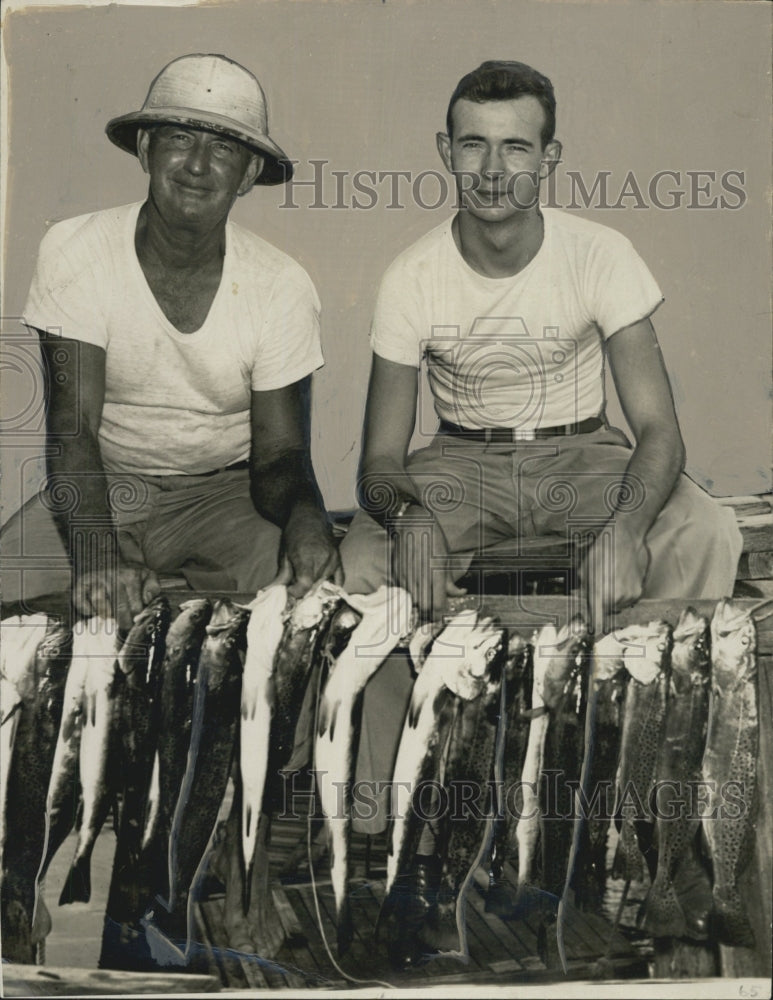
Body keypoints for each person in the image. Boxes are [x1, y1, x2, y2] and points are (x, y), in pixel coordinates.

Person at [339, 59, 743, 968]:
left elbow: (656, 429)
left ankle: (635, 768)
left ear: (548, 158)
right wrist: (404, 514)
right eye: (472, 146)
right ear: (445, 152)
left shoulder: (598, 252)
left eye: (514, 147)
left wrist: (627, 528)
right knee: (362, 566)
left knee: (706, 531)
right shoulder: (411, 275)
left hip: (581, 452)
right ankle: (385, 842)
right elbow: (376, 460)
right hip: (461, 464)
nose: (492, 170)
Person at [2, 53, 341, 627]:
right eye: (180, 137)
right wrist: (98, 558)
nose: (198, 166)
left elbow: (281, 455)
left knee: (314, 602)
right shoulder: (77, 248)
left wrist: (308, 519)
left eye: (226, 149)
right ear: (145, 151)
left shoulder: (281, 284)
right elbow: (73, 428)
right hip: (103, 484)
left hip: (225, 497)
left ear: (249, 175)